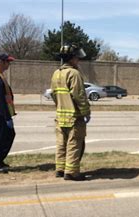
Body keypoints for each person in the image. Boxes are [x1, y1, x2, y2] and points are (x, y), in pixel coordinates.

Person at [50, 44, 90, 181]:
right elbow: (79, 95)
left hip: (60, 116)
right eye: (77, 58)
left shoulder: (56, 73)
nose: (78, 60)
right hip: (74, 116)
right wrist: (86, 112)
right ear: (72, 58)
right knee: (74, 143)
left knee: (61, 144)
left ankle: (60, 169)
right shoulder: (74, 73)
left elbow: (54, 95)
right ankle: (72, 172)